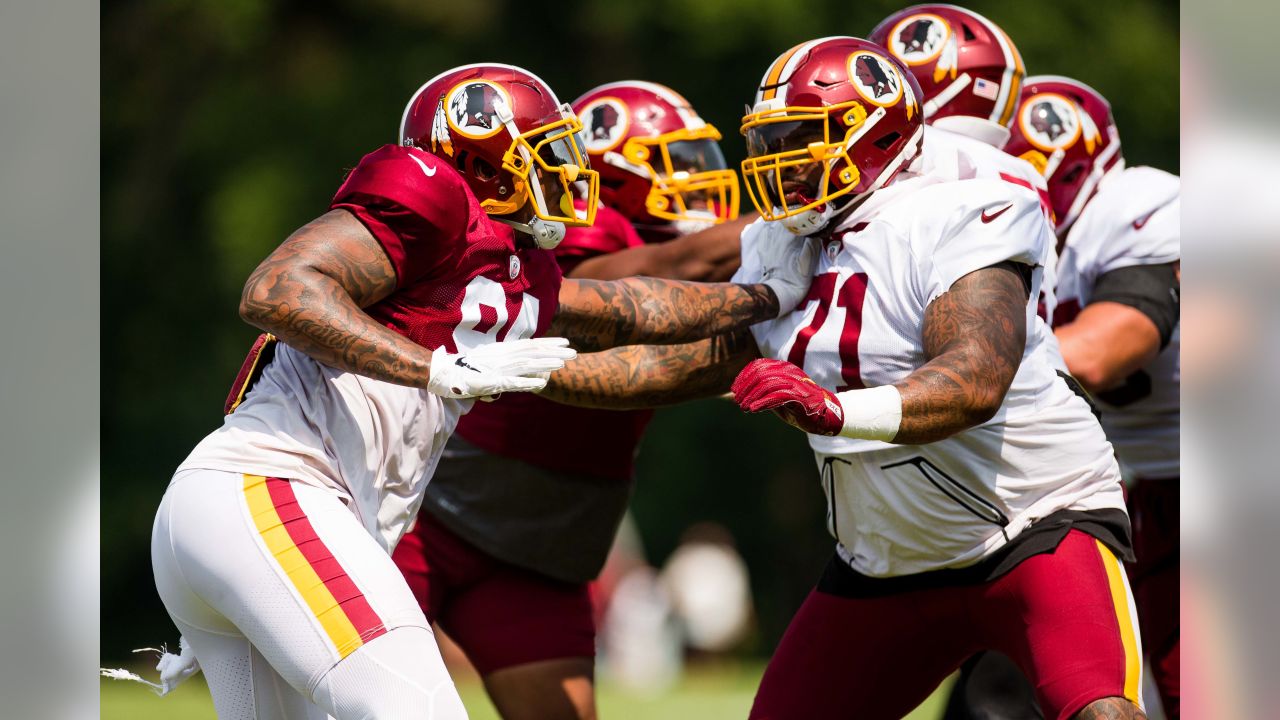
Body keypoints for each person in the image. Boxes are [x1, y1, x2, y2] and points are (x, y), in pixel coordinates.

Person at [148, 62, 818, 720]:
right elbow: (276, 289)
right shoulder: (431, 192)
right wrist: (434, 369)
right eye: (548, 152)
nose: (567, 171)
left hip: (249, 511)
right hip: (269, 490)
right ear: (485, 162)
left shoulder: (507, 266)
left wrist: (763, 296)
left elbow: (627, 307)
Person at [542, 37, 1147, 719]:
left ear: (879, 132)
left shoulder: (962, 211)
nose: (781, 161)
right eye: (772, 139)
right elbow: (671, 364)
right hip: (884, 563)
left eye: (804, 136)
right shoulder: (788, 238)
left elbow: (974, 378)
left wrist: (838, 413)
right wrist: (515, 367)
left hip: (1032, 526)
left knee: (1100, 712)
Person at [390, 79, 750, 720]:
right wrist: (798, 225)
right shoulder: (578, 234)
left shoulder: (700, 255)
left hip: (543, 548)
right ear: (608, 175)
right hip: (432, 516)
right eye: (678, 163)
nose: (702, 181)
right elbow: (661, 278)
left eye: (703, 162)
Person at [947, 75, 1181, 720]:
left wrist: (954, 373)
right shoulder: (1004, 251)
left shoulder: (1135, 204)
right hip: (1154, 493)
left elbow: (1107, 348)